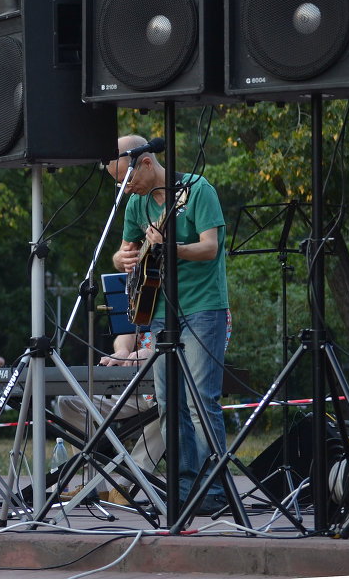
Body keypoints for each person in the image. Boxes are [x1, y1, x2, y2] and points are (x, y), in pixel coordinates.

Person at [106, 133, 230, 517]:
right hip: (158, 309)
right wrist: (124, 259)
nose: (124, 189)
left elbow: (211, 247)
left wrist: (168, 248)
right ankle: (183, 484)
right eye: (117, 183)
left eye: (126, 179)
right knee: (169, 402)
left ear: (145, 162)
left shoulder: (196, 190)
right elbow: (121, 255)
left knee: (200, 400)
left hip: (202, 307)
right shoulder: (136, 205)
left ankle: (216, 486)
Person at [55, 331, 163, 505]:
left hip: (167, 385)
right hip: (132, 381)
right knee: (69, 400)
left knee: (171, 406)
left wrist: (155, 353)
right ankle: (95, 484)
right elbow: (127, 331)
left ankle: (125, 485)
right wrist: (122, 351)